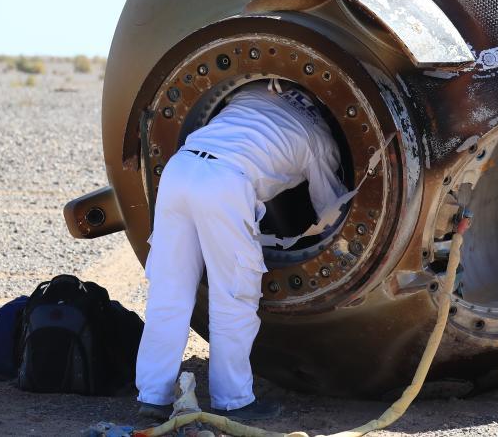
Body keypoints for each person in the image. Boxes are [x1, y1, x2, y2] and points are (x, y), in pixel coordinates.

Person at [135, 80, 348, 421]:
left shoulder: (256, 92)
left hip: (180, 168)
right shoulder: (320, 139)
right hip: (225, 182)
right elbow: (331, 211)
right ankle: (233, 400)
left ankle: (153, 396)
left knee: (169, 291)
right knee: (234, 295)